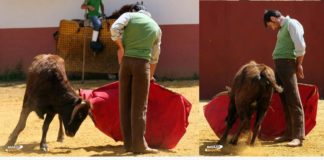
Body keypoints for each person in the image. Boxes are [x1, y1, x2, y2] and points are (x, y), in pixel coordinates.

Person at [110, 3, 162, 154]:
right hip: (142, 66)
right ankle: (140, 146)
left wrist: (121, 47)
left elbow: (114, 29)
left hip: (125, 64)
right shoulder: (156, 27)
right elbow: (155, 57)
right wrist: (150, 77)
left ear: (135, 11)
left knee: (124, 104)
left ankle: (128, 145)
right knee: (139, 107)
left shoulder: (129, 16)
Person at [264, 10, 306, 147]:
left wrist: (299, 64)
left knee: (293, 99)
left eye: (269, 24)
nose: (271, 27)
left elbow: (300, 46)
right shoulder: (283, 28)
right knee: (284, 99)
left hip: (287, 64)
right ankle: (288, 133)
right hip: (280, 65)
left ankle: (298, 137)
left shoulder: (291, 24)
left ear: (273, 18)